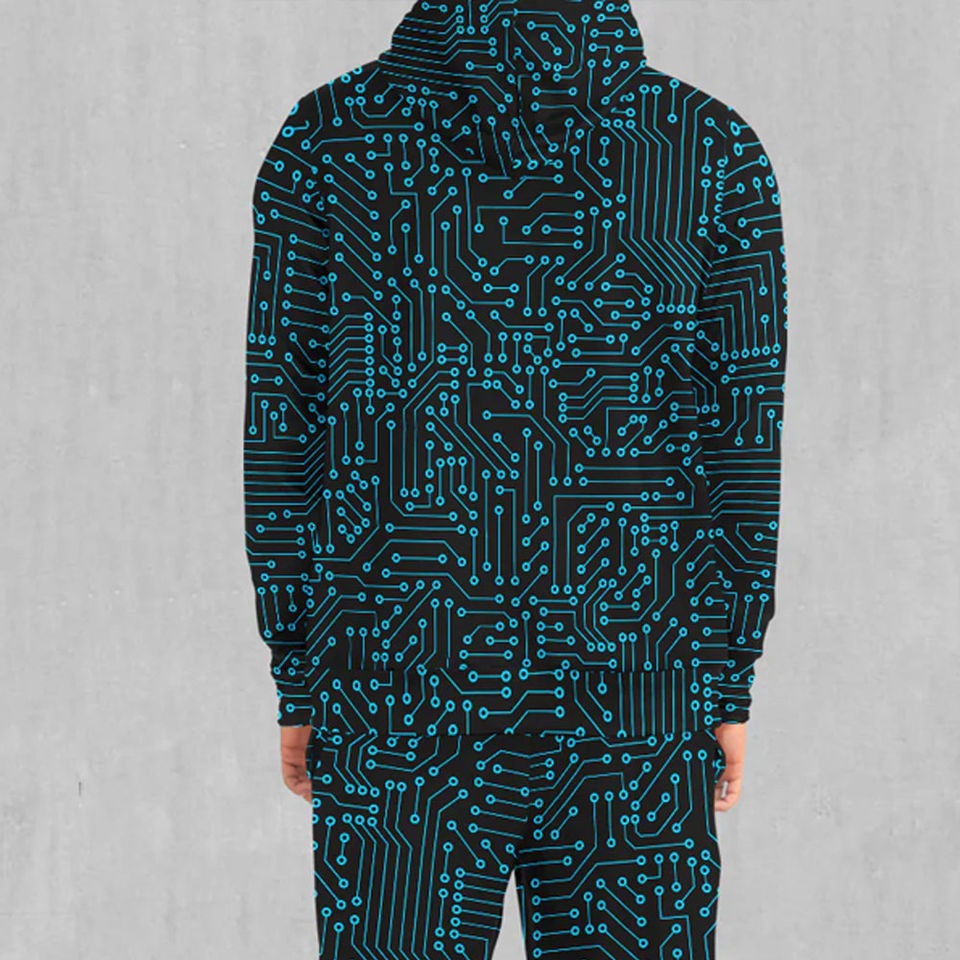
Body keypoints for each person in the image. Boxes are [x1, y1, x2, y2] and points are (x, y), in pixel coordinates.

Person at [242, 1, 787, 956]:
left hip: (397, 680)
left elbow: (284, 425)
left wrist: (300, 672)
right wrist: (724, 678)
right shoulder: (711, 148)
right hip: (633, 682)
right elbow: (739, 440)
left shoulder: (327, 139)